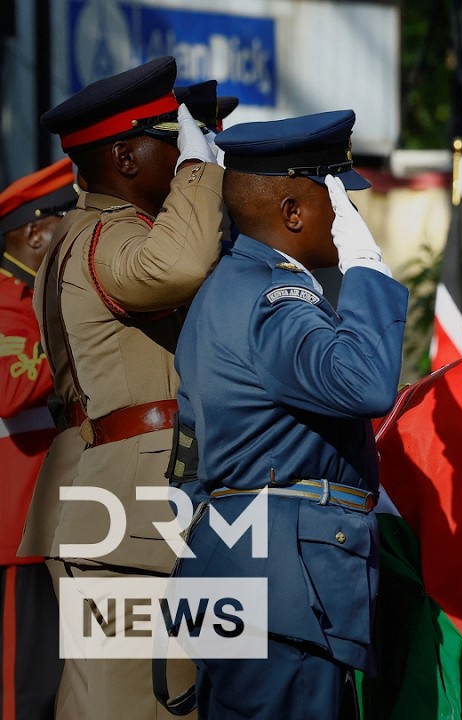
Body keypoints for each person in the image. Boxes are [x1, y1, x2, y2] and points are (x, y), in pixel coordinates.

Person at [168, 110, 407, 719]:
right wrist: (368, 270)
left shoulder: (228, 287)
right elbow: (366, 384)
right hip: (289, 588)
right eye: (341, 204)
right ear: (294, 212)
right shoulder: (278, 298)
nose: (351, 220)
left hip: (244, 569)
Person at [29, 55, 224, 719]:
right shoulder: (110, 236)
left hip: (112, 491)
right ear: (125, 157)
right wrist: (203, 175)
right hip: (131, 504)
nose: (183, 158)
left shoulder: (78, 234)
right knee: (141, 700)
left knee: (120, 694)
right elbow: (181, 264)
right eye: (172, 143)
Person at [0, 159, 77, 720]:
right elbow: (8, 389)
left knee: (56, 689)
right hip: (16, 530)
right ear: (34, 232)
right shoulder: (6, 303)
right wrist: (81, 339)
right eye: (68, 221)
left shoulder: (40, 301)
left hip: (60, 525)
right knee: (21, 694)